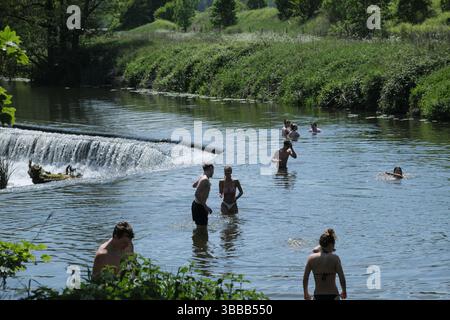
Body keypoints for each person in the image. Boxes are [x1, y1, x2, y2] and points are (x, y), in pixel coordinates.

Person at [303, 229, 347, 301]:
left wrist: (305, 293)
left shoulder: (311, 258)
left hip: (318, 295)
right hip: (333, 295)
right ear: (331, 244)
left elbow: (305, 278)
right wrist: (344, 291)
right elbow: (342, 277)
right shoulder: (335, 258)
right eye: (333, 245)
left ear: (321, 244)